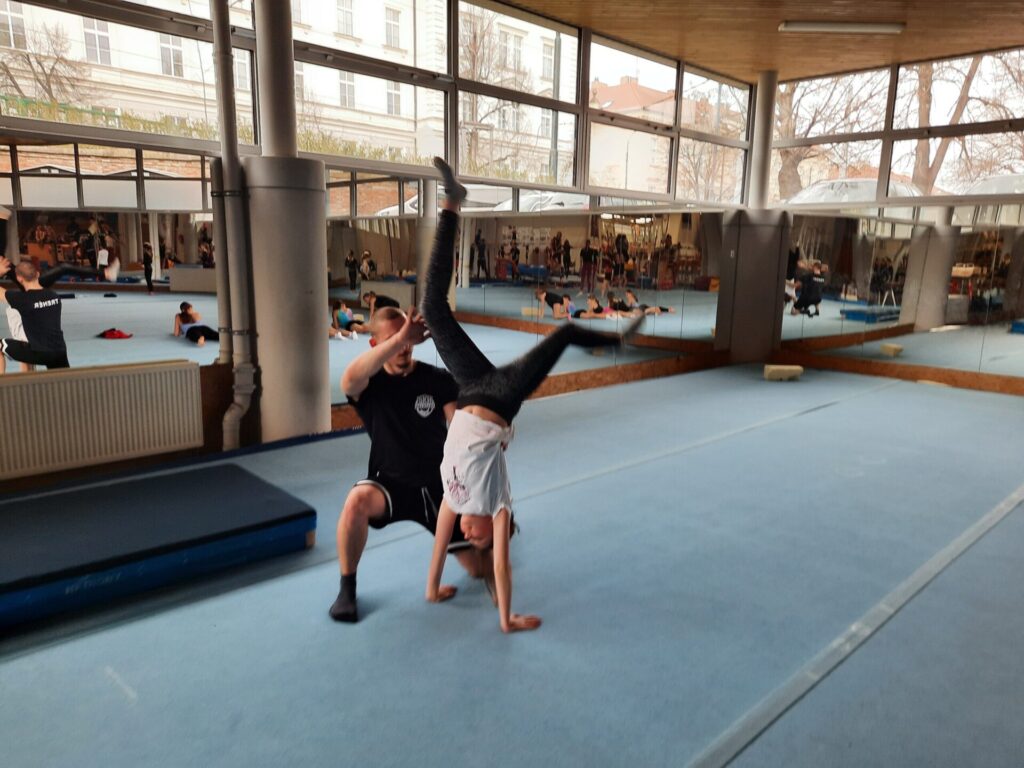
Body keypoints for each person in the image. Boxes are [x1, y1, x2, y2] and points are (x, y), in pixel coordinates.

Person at [419, 158, 642, 633]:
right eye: (476, 537)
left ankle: (451, 203)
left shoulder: (454, 501)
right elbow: (501, 565)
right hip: (501, 397)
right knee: (564, 333)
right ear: (491, 532)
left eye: (466, 535)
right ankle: (617, 341)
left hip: (469, 386)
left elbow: (440, 541)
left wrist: (432, 586)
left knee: (432, 308)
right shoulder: (498, 505)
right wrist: (507, 619)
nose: (466, 532)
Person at [329, 305, 503, 623]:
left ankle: (495, 535)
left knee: (478, 570)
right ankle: (346, 590)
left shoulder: (436, 379)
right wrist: (400, 338)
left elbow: (460, 424)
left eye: (408, 339)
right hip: (390, 484)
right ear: (376, 344)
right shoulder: (369, 384)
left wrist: (488, 435)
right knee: (356, 501)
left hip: (439, 486)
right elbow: (348, 381)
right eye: (394, 340)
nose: (404, 347)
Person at [0, 256, 70, 374]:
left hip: (39, 353)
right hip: (59, 351)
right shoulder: (54, 295)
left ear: (19, 279)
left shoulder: (21, 299)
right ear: (37, 274)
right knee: (65, 381)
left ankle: (2, 383)